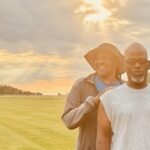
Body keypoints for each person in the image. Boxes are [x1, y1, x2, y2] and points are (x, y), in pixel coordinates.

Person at [61, 43, 124, 150]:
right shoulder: (81, 84)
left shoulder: (126, 89)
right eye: (97, 58)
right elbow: (68, 120)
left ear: (116, 61)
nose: (99, 61)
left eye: (105, 58)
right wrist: (94, 101)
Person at [96, 42, 150, 150]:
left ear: (148, 65)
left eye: (141, 61)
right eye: (131, 62)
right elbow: (102, 140)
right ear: (125, 65)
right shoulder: (108, 99)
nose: (137, 65)